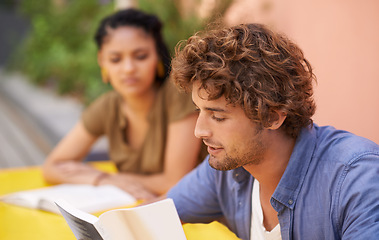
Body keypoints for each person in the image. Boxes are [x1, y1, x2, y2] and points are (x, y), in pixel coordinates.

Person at [166, 23, 379, 240]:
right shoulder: (228, 168)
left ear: (272, 116)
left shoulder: (357, 178)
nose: (199, 131)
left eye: (218, 117)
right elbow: (157, 216)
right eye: (199, 110)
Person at [42, 8, 207, 200]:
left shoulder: (178, 93)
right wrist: (103, 179)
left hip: (199, 217)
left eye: (140, 56)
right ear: (102, 61)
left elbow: (173, 182)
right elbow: (52, 167)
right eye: (115, 59)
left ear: (157, 56)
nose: (128, 69)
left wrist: (106, 178)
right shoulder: (107, 106)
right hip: (137, 209)